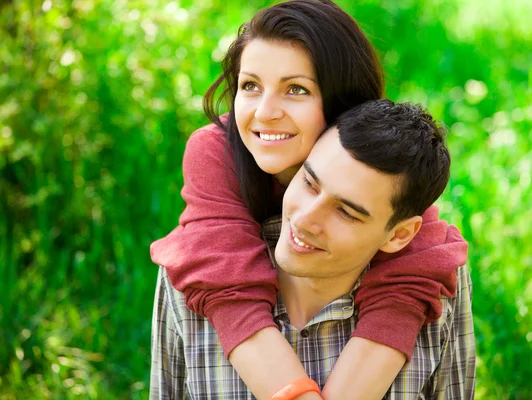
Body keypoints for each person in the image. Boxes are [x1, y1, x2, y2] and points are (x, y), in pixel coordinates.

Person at [150, 1, 468, 398]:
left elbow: (415, 268)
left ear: (344, 106)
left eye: (296, 89)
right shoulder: (216, 151)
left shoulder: (382, 175)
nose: (264, 113)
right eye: (249, 86)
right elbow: (226, 281)